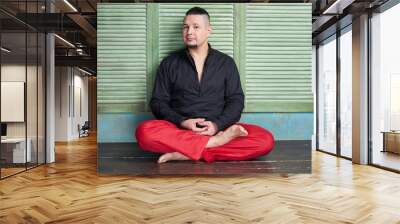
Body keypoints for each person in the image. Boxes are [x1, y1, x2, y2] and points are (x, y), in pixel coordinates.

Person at [135, 7, 275, 163]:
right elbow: (158, 102)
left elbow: (236, 101)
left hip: (218, 129)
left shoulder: (226, 63)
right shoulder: (169, 63)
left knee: (265, 140)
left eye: (195, 27)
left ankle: (186, 152)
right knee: (144, 132)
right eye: (185, 27)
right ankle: (213, 146)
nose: (189, 32)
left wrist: (216, 126)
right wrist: (183, 122)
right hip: (180, 131)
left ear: (208, 30)